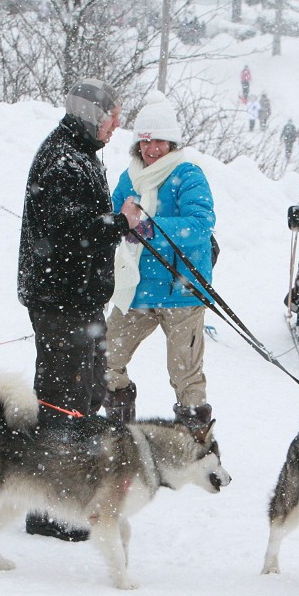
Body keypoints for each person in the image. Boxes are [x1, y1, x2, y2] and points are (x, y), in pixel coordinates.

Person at [17, 78, 139, 541]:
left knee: (87, 396)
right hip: (59, 301)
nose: (117, 126)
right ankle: (46, 507)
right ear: (93, 117)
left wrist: (116, 224)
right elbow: (70, 233)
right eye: (112, 117)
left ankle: (69, 497)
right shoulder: (62, 159)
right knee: (60, 401)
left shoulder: (80, 154)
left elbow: (82, 227)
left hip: (80, 300)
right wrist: (118, 222)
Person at [104, 90, 216, 430]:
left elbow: (201, 225)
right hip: (136, 288)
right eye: (146, 142)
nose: (152, 149)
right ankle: (121, 433)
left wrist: (150, 227)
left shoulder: (188, 175)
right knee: (106, 360)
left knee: (186, 376)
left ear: (173, 143)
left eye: (160, 142)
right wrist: (120, 226)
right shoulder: (129, 178)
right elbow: (115, 218)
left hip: (181, 290)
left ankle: (195, 445)